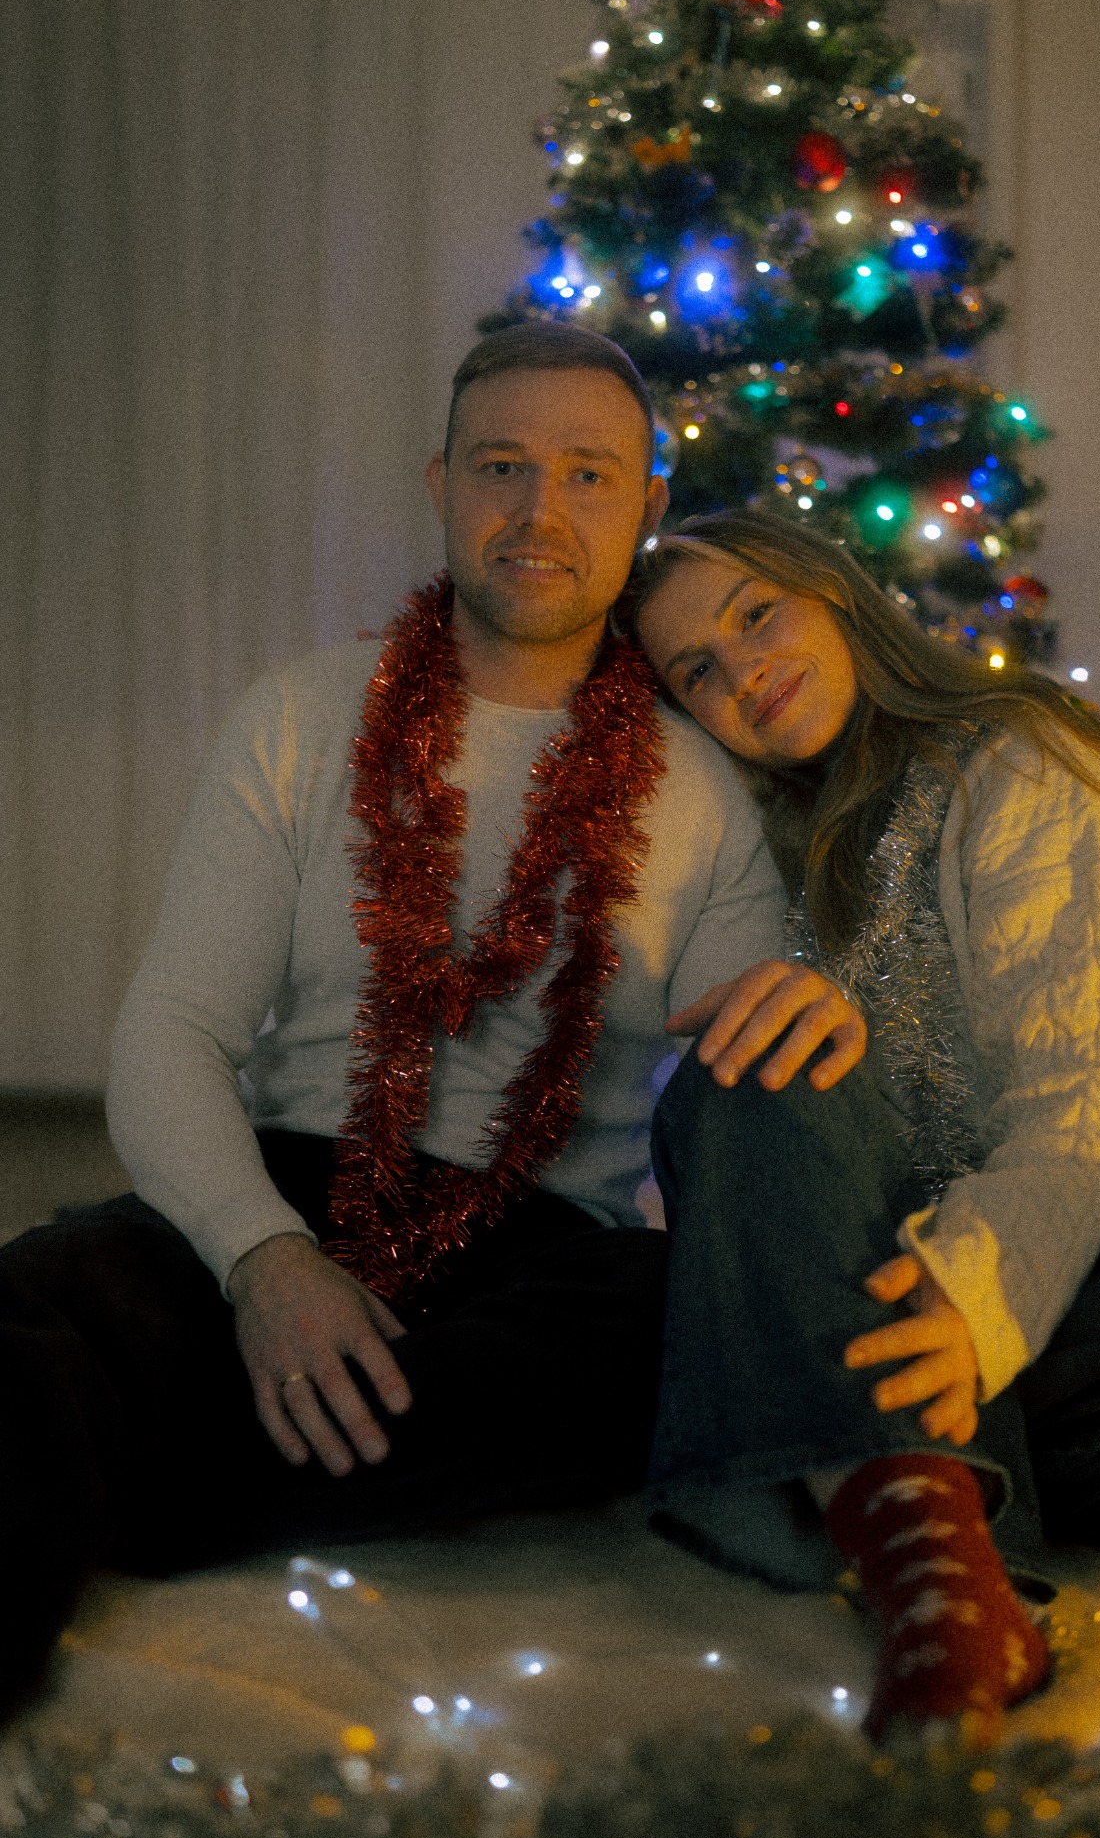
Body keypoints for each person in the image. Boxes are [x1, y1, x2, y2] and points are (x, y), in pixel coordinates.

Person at [0, 330, 867, 1722]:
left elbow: (743, 1066)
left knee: (665, 1320)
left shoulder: (703, 784)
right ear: (440, 485)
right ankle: (189, 1461)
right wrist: (263, 1260)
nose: (539, 511)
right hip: (298, 1178)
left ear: (647, 504)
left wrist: (809, 998)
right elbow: (171, 1029)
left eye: (588, 474)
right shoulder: (301, 717)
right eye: (501, 466)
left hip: (545, 1246)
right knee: (38, 1304)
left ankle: (155, 1474)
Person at [630, 509, 1100, 1738]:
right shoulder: (737, 858)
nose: (742, 672)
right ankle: (939, 1577)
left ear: (834, 592)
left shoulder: (1017, 758)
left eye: (756, 613)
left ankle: (829, 1461)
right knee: (746, 1062)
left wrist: (974, 1295)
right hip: (890, 1299)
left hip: (1080, 1270)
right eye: (695, 670)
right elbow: (747, 1163)